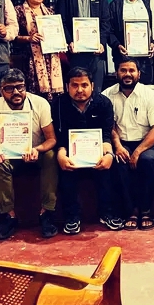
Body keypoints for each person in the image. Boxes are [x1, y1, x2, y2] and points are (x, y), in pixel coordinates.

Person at [0, 69, 59, 240]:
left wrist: (37, 149)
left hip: (37, 151)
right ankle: (9, 216)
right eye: (9, 88)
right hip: (11, 154)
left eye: (20, 87)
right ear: (1, 90)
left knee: (51, 156)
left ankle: (46, 213)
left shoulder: (40, 103)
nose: (16, 92)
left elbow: (51, 139)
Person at [52, 67, 121, 235]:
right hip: (70, 153)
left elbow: (106, 134)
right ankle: (72, 217)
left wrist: (109, 154)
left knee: (108, 168)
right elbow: (59, 135)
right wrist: (61, 154)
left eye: (84, 85)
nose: (80, 90)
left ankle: (107, 213)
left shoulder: (104, 103)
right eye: (74, 85)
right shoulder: (58, 104)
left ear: (92, 85)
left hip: (97, 152)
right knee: (66, 172)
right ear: (67, 86)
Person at [103, 58, 154, 231]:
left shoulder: (151, 95)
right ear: (116, 73)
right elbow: (109, 126)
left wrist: (137, 152)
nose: (127, 74)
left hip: (145, 142)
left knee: (148, 161)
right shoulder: (107, 95)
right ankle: (131, 211)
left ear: (139, 73)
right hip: (120, 141)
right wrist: (117, 146)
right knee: (119, 162)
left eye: (132, 70)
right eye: (123, 70)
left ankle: (146, 211)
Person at [55, 0, 111, 93]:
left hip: (96, 53)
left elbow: (105, 21)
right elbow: (61, 22)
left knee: (96, 91)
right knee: (77, 91)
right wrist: (69, 42)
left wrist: (101, 43)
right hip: (75, 53)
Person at [13, 0, 64, 101]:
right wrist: (29, 38)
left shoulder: (50, 12)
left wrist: (60, 43)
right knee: (34, 95)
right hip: (29, 60)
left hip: (51, 59)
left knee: (54, 99)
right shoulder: (18, 11)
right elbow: (13, 36)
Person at [108, 0, 154, 84]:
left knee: (146, 88)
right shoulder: (114, 5)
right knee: (126, 89)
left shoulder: (149, 2)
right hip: (124, 57)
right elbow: (109, 31)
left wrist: (153, 42)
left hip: (146, 58)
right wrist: (117, 45)